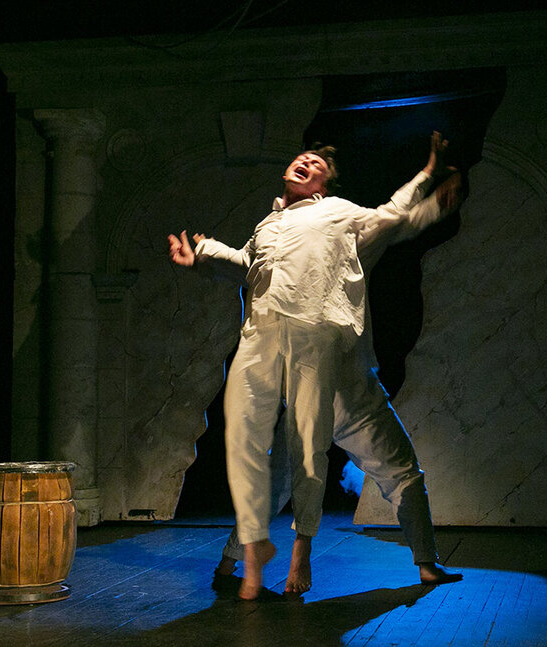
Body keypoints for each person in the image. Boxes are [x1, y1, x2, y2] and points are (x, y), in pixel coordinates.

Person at [168, 133, 462, 600]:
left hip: (346, 376)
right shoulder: (267, 226)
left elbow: (393, 217)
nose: (305, 162)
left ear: (323, 186)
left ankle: (427, 563)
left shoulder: (337, 213)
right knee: (279, 480)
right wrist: (201, 256)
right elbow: (246, 265)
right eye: (301, 158)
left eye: (317, 165)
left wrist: (429, 186)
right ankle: (229, 563)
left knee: (400, 471)